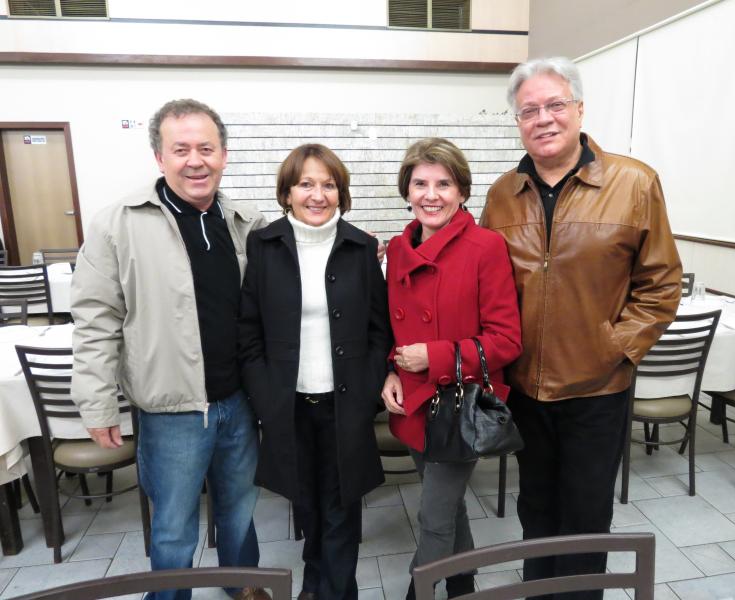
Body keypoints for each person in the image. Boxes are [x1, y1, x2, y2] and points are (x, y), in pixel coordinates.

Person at [481, 57, 682, 599]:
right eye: (529, 110)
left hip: (598, 388)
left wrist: (614, 348)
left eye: (555, 105)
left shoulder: (634, 182)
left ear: (579, 110)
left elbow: (661, 283)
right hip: (525, 387)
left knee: (586, 513)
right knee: (535, 506)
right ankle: (538, 591)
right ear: (518, 121)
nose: (543, 118)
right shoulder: (502, 194)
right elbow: (484, 283)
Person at [71, 99, 267, 600]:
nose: (195, 161)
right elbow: (95, 320)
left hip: (239, 403)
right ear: (159, 157)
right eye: (181, 150)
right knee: (175, 527)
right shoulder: (118, 224)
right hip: (170, 412)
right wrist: (96, 402)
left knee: (240, 512)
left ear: (224, 155)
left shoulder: (246, 222)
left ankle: (241, 586)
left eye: (206, 148)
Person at [238, 143, 392, 600]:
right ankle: (314, 582)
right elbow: (249, 330)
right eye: (306, 184)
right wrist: (266, 395)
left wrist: (366, 392)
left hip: (345, 402)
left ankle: (338, 592)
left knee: (341, 506)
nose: (318, 195)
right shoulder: (264, 246)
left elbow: (379, 329)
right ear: (287, 193)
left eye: (329, 185)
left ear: (341, 193)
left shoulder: (361, 247)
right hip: (288, 404)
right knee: (306, 502)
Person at [381, 138, 522, 599]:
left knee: (433, 516)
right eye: (420, 183)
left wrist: (435, 357)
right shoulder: (397, 249)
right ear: (406, 191)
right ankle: (462, 581)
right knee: (448, 503)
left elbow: (506, 340)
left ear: (462, 191)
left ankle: (418, 591)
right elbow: (392, 329)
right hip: (413, 401)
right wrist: (391, 371)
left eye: (444, 184)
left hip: (460, 404)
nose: (431, 195)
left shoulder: (486, 247)